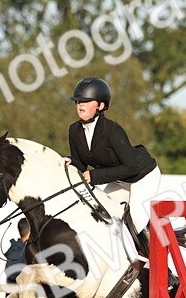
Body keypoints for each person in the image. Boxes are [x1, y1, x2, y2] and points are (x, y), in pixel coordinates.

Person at [66, 77, 160, 253]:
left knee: (135, 220)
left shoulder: (112, 130)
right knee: (102, 214)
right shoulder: (74, 130)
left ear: (100, 106)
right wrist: (69, 162)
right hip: (119, 179)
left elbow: (131, 167)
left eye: (86, 101)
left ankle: (164, 268)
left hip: (142, 176)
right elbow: (81, 163)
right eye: (78, 101)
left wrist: (94, 177)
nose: (80, 104)